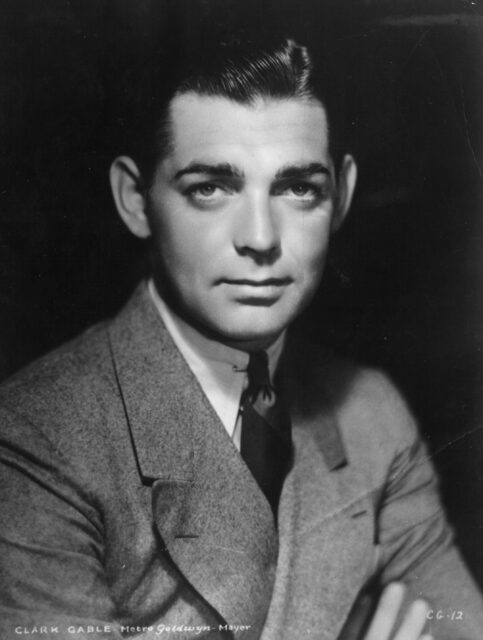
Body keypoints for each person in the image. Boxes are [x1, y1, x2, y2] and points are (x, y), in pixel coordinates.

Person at [0, 33, 481, 640]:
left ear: (342, 197)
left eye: (298, 188)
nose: (259, 237)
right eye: (211, 188)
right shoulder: (32, 444)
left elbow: (460, 622)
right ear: (135, 199)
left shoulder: (372, 414)